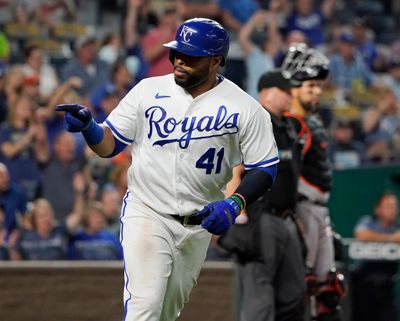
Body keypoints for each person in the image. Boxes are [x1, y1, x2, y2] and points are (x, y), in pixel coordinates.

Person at [55, 18, 279, 321]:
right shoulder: (148, 90)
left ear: (216, 61)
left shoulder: (246, 108)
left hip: (198, 224)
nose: (179, 61)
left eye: (190, 56)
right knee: (145, 306)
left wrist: (233, 204)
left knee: (166, 313)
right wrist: (89, 128)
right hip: (147, 211)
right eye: (177, 53)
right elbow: (110, 145)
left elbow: (264, 168)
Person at [219, 69, 305, 321]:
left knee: (294, 293)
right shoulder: (253, 119)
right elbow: (234, 169)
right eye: (285, 90)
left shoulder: (286, 126)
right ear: (266, 93)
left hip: (286, 217)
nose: (291, 95)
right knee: (259, 293)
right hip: (260, 216)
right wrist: (239, 213)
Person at [282, 44, 345, 321]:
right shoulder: (288, 124)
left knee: (330, 288)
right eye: (310, 86)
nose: (317, 92)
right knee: (301, 285)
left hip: (320, 211)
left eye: (319, 86)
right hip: (300, 208)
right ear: (294, 88)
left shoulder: (314, 121)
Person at [351, 192, 400, 321]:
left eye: (395, 206)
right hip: (364, 285)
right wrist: (390, 239)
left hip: (386, 287)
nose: (393, 209)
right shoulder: (367, 222)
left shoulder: (397, 227)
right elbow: (361, 235)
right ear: (378, 209)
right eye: (388, 206)